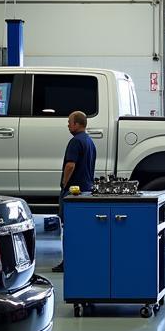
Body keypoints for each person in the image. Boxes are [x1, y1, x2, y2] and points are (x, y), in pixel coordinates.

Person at [53, 110, 97, 273]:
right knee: (81, 229)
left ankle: (68, 262)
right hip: (86, 191)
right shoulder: (89, 142)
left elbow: (70, 165)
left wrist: (65, 184)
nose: (68, 125)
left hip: (73, 192)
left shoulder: (75, 142)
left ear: (77, 124)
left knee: (69, 229)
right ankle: (81, 259)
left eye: (70, 122)